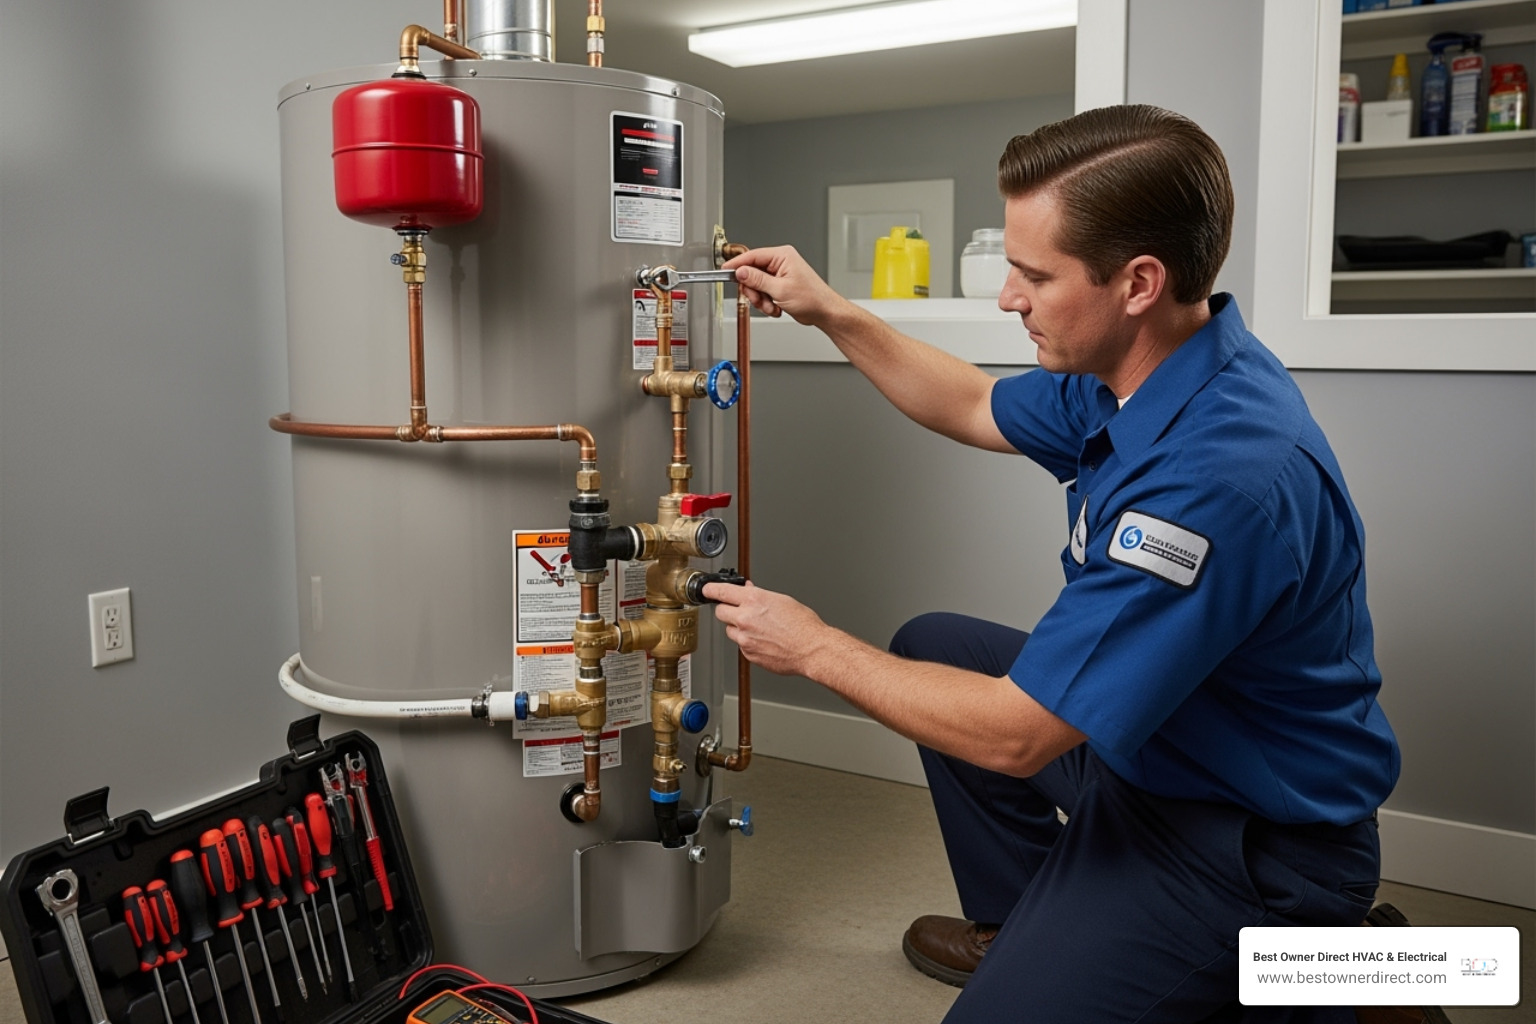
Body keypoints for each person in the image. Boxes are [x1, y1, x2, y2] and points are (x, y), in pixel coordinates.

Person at [704, 105, 1402, 1023]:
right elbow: (975, 403)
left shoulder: (1216, 479)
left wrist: (812, 647)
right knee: (937, 646)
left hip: (1246, 843)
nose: (1007, 297)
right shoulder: (1143, 370)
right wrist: (828, 308)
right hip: (1152, 748)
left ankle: (1347, 978)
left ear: (1139, 282)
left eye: (1034, 274)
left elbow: (1016, 736)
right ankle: (1030, 927)